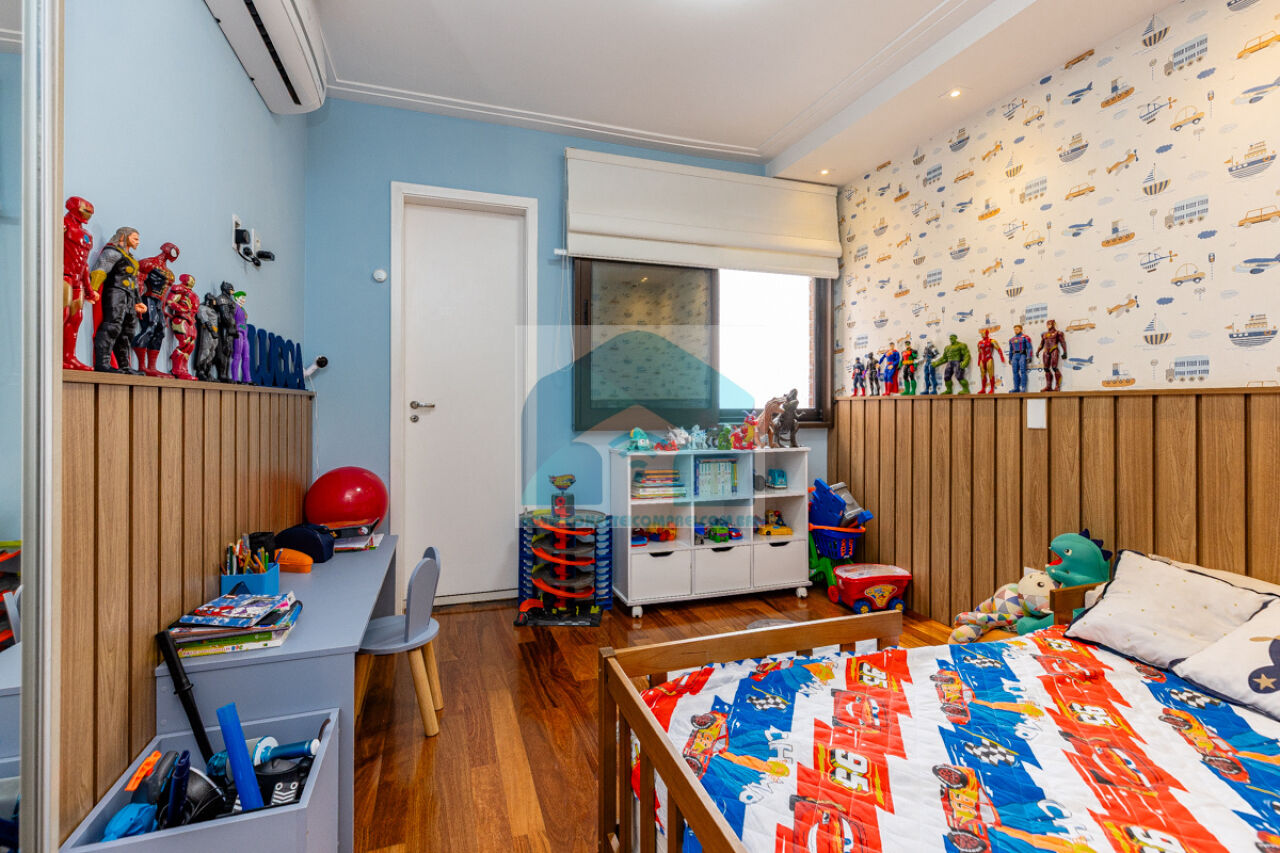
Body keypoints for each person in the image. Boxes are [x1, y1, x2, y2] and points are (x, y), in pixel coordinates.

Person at [90, 227, 145, 374]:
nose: (138, 242)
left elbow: (134, 283)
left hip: (129, 296)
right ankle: (103, 363)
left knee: (128, 330)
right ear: (123, 237)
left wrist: (138, 301)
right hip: (115, 292)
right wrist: (93, 289)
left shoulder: (131, 259)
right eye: (135, 238)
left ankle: (124, 365)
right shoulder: (112, 252)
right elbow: (100, 270)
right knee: (112, 326)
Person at [132, 242, 180, 376]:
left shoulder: (169, 273)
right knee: (150, 327)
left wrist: (163, 309)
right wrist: (137, 301)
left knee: (160, 331)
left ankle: (152, 367)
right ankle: (142, 366)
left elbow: (164, 293)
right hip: (148, 298)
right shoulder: (149, 263)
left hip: (158, 302)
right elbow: (139, 281)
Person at [62, 196, 96, 371]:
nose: (88, 214)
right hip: (63, 276)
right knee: (62, 315)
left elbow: (85, 264)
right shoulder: (62, 224)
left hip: (77, 280)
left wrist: (89, 289)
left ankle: (69, 357)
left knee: (76, 318)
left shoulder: (87, 235)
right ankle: (53, 356)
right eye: (85, 210)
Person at [1037, 319, 1068, 392]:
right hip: (1046, 351)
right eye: (1047, 324)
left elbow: (1063, 342)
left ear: (1053, 324)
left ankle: (1057, 386)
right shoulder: (1044, 334)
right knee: (1046, 369)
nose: (1048, 325)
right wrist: (1038, 351)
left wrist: (1065, 352)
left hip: (1054, 349)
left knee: (1054, 367)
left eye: (1050, 324)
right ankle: (1048, 386)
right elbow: (1041, 344)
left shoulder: (1058, 333)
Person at [977, 328, 1005, 394]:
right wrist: (979, 360)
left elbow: (998, 349)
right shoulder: (979, 343)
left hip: (989, 358)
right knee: (982, 374)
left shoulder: (992, 341)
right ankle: (983, 389)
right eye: (981, 333)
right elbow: (980, 352)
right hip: (982, 360)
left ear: (987, 334)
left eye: (983, 333)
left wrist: (1002, 357)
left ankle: (992, 389)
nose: (982, 335)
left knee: (990, 373)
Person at [1007, 324, 1033, 393]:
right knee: (1015, 372)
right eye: (1015, 329)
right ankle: (1016, 388)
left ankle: (1023, 388)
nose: (1016, 331)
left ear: (1021, 329)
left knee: (1023, 371)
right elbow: (1010, 350)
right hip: (1015, 356)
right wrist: (1010, 358)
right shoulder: (1012, 339)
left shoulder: (1025, 337)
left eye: (1017, 329)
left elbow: (1029, 348)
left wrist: (1029, 356)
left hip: (1022, 355)